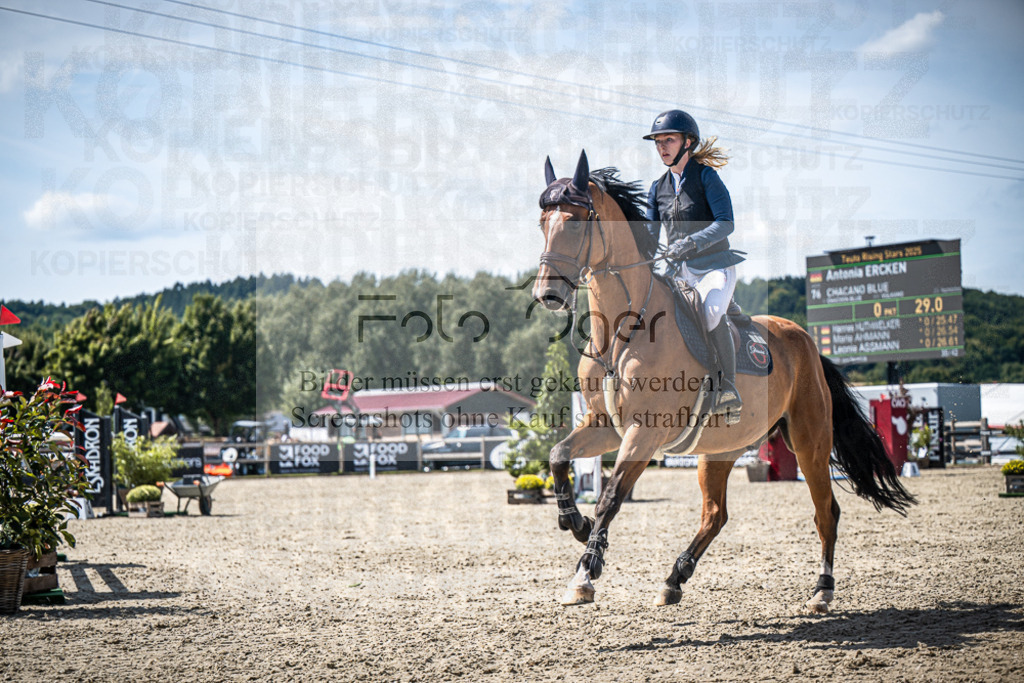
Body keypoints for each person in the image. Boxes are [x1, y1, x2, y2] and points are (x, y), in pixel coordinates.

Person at [643, 109, 744, 422]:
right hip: (678, 274)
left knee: (711, 313)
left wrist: (693, 242)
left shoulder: (706, 177)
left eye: (669, 140)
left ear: (688, 142)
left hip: (713, 266)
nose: (662, 147)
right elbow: (649, 237)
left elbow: (726, 224)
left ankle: (728, 387)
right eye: (658, 142)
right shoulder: (657, 189)